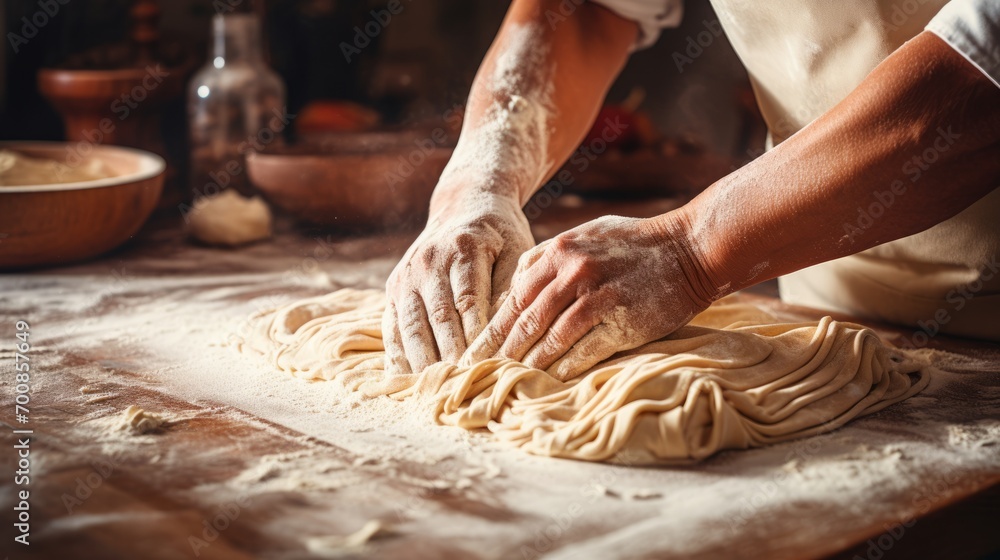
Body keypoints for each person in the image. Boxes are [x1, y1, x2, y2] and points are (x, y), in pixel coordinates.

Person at [382, 0, 1000, 380]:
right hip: (825, 297)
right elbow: (592, 9)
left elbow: (982, 92)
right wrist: (476, 185)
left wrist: (689, 252)